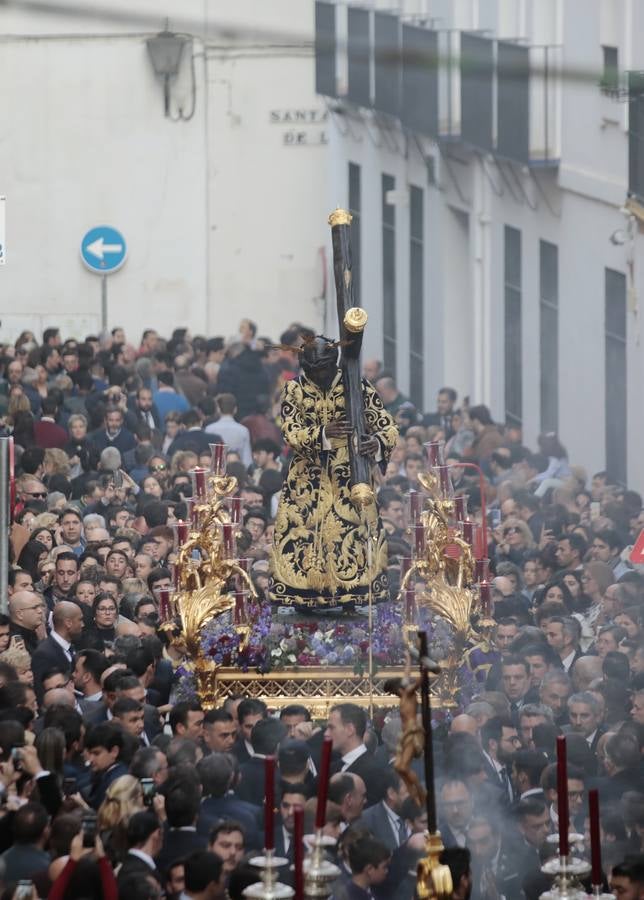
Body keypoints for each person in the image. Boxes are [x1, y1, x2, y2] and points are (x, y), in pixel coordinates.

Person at [269, 336, 398, 609]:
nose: (320, 375)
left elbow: (386, 425)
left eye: (324, 369)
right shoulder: (294, 390)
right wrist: (322, 433)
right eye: (314, 370)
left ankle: (352, 594)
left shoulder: (357, 385)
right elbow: (290, 431)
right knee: (304, 534)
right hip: (309, 478)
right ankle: (306, 598)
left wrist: (375, 443)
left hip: (349, 474)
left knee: (352, 533)